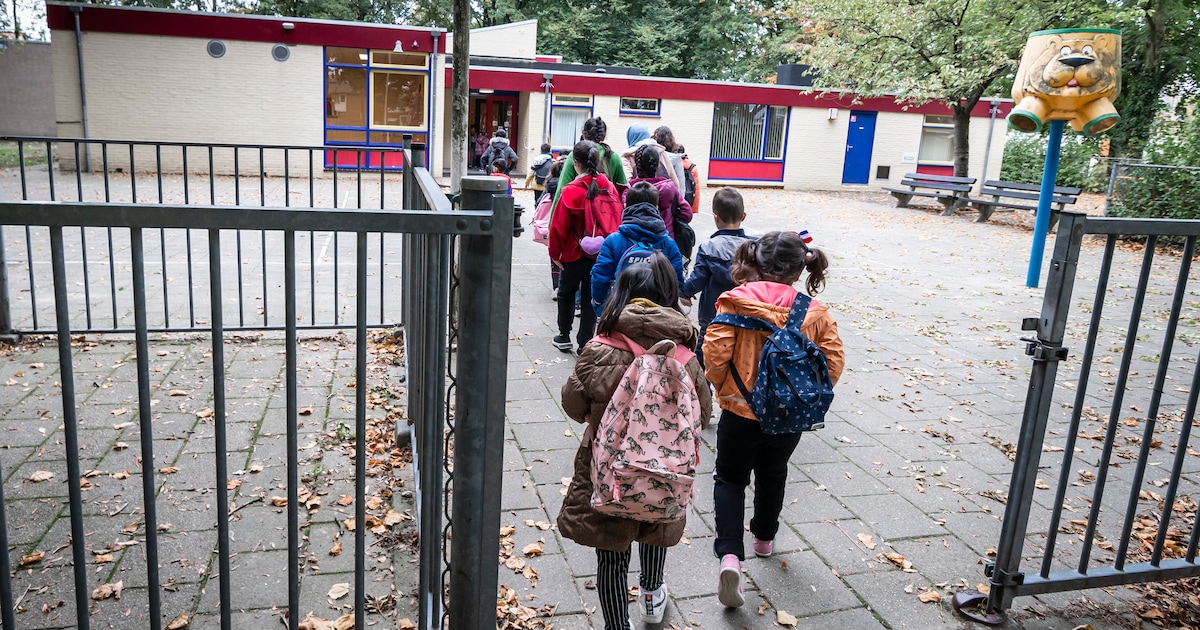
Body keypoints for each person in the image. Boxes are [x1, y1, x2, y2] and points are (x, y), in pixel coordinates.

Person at [559, 253, 713, 630]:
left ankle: (617, 625)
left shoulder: (600, 348)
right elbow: (703, 415)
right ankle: (651, 596)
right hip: (666, 470)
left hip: (607, 465)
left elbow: (573, 402)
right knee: (656, 529)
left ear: (621, 295)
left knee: (611, 552)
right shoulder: (686, 356)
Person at [702, 231, 845, 608]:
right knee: (774, 471)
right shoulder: (815, 313)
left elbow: (715, 354)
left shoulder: (734, 303)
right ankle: (764, 539)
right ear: (800, 270)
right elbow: (833, 363)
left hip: (739, 411)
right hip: (788, 416)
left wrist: (725, 388)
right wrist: (802, 394)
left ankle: (730, 556)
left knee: (730, 479)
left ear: (756, 261)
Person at [548, 141, 623, 353]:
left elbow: (558, 226)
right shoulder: (607, 187)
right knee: (592, 296)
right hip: (600, 253)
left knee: (566, 292)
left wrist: (555, 253)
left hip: (572, 252)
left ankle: (563, 334)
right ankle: (585, 342)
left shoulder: (570, 190)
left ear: (576, 163)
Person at [680, 187, 752, 365]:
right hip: (746, 317)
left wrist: (683, 292)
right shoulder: (752, 248)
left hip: (713, 317)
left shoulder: (708, 248)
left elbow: (695, 282)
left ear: (715, 217)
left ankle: (703, 391)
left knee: (702, 362)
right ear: (743, 216)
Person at [590, 182, 685, 315]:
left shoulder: (613, 241)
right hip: (658, 313)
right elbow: (676, 281)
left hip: (620, 312)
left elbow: (600, 278)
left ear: (625, 207)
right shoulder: (668, 243)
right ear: (656, 208)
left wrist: (600, 306)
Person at [550, 117, 628, 212]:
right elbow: (623, 191)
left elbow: (561, 192)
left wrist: (551, 224)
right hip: (606, 217)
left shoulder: (575, 155)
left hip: (579, 214)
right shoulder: (613, 157)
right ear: (603, 136)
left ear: (583, 135)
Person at [625, 145, 692, 243]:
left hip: (634, 243)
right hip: (665, 242)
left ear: (636, 164)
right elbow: (687, 214)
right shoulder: (669, 187)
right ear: (657, 167)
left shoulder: (629, 189)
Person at [621, 123, 681, 192]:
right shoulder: (661, 151)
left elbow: (627, 183)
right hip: (664, 196)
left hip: (640, 198)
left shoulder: (627, 156)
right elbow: (675, 182)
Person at [676, 145, 701, 214]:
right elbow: (696, 190)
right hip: (688, 202)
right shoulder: (692, 167)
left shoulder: (672, 164)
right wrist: (694, 209)